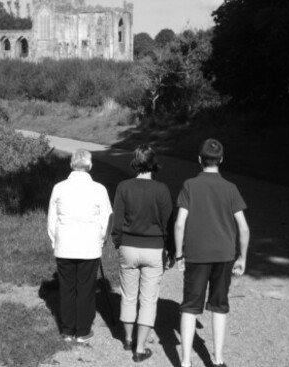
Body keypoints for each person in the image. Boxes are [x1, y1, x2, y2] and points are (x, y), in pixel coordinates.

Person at [174, 138, 250, 367]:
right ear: (222, 160)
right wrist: (242, 257)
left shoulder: (189, 185)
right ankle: (217, 359)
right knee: (219, 305)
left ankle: (185, 362)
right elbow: (243, 228)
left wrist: (179, 254)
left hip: (196, 255)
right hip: (224, 255)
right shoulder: (231, 188)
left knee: (189, 306)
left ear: (199, 159)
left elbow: (179, 224)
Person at [111, 145, 173, 363]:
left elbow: (117, 220)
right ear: (153, 163)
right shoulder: (162, 189)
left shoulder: (123, 187)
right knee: (148, 300)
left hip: (128, 245)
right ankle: (140, 347)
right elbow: (168, 223)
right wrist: (171, 249)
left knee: (128, 295)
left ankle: (127, 338)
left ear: (135, 162)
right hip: (154, 248)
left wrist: (118, 241)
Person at [47, 149, 112, 343]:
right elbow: (107, 218)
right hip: (89, 246)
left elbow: (52, 220)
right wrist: (101, 239)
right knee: (86, 288)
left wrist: (55, 240)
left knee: (66, 287)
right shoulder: (99, 189)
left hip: (65, 244)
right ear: (90, 165)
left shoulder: (59, 188)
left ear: (71, 164)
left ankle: (67, 330)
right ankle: (83, 331)